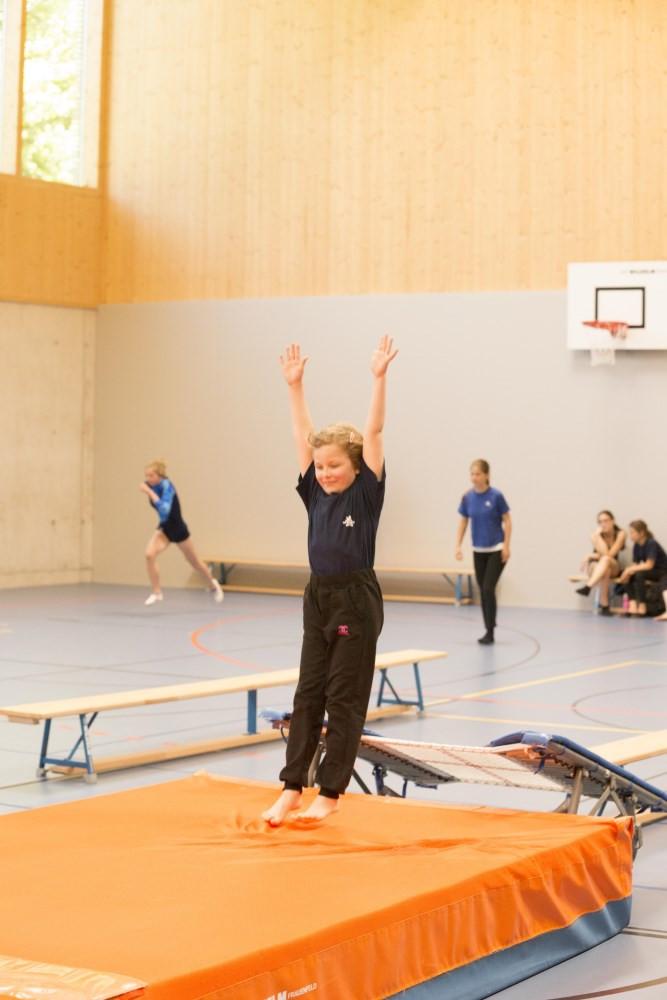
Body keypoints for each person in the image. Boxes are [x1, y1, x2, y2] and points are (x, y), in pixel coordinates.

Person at [262, 336, 398, 827]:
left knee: (343, 697)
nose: (324, 473)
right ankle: (291, 786)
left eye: (334, 465)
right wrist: (295, 388)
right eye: (320, 466)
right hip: (318, 595)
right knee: (307, 694)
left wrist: (378, 378)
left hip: (355, 599)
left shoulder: (365, 493)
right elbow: (303, 435)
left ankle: (332, 791)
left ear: (356, 466)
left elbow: (374, 430)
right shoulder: (315, 493)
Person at [139, 460, 223, 606]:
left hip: (178, 529)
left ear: (160, 475)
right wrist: (149, 489)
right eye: (146, 476)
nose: (148, 479)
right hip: (165, 528)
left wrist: (149, 492)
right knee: (149, 555)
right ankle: (157, 592)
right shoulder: (150, 485)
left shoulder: (167, 486)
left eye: (151, 475)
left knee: (194, 562)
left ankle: (213, 584)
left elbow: (164, 509)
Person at [455, 459, 511, 645]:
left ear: (486, 475)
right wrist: (458, 545)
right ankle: (488, 628)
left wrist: (506, 546)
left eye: (478, 474)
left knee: (488, 587)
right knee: (483, 590)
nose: (474, 477)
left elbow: (507, 520)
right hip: (478, 550)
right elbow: (463, 521)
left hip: (496, 549)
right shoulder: (468, 498)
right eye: (472, 474)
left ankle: (490, 630)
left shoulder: (496, 496)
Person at [574, 510, 626, 615]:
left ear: (613, 521)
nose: (603, 524)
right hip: (597, 566)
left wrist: (591, 555)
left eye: (606, 520)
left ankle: (588, 586)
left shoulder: (621, 534)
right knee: (605, 569)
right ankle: (604, 605)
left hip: (613, 564)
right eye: (600, 522)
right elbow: (603, 554)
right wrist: (597, 537)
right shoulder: (594, 536)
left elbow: (609, 554)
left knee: (606, 560)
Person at [617, 519, 667, 618]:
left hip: (662, 571)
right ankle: (633, 603)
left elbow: (649, 565)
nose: (630, 535)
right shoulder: (636, 545)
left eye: (633, 532)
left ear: (642, 533)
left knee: (639, 574)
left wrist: (630, 570)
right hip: (651, 571)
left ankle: (642, 605)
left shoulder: (651, 543)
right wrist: (627, 572)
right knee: (628, 574)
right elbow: (635, 564)